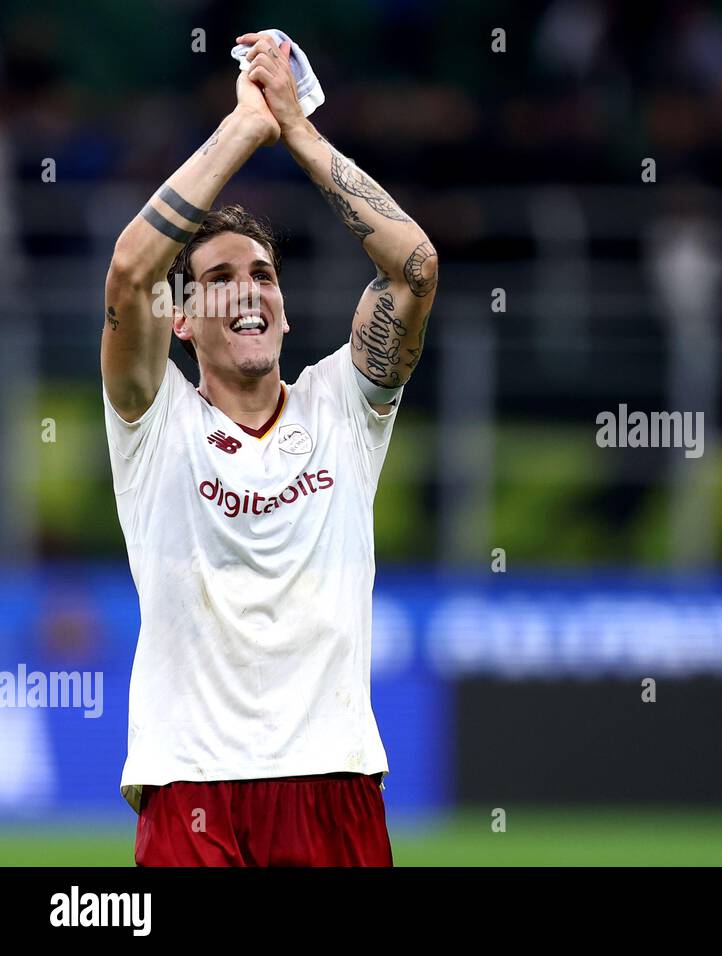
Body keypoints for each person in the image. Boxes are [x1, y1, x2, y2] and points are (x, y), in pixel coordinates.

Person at [99, 33, 437, 866]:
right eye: (216, 278)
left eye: (263, 274)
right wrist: (244, 129)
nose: (247, 288)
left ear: (284, 310)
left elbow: (415, 268)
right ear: (180, 320)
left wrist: (299, 131)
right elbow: (129, 273)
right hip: (191, 787)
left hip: (334, 783)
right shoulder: (153, 419)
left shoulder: (344, 405)